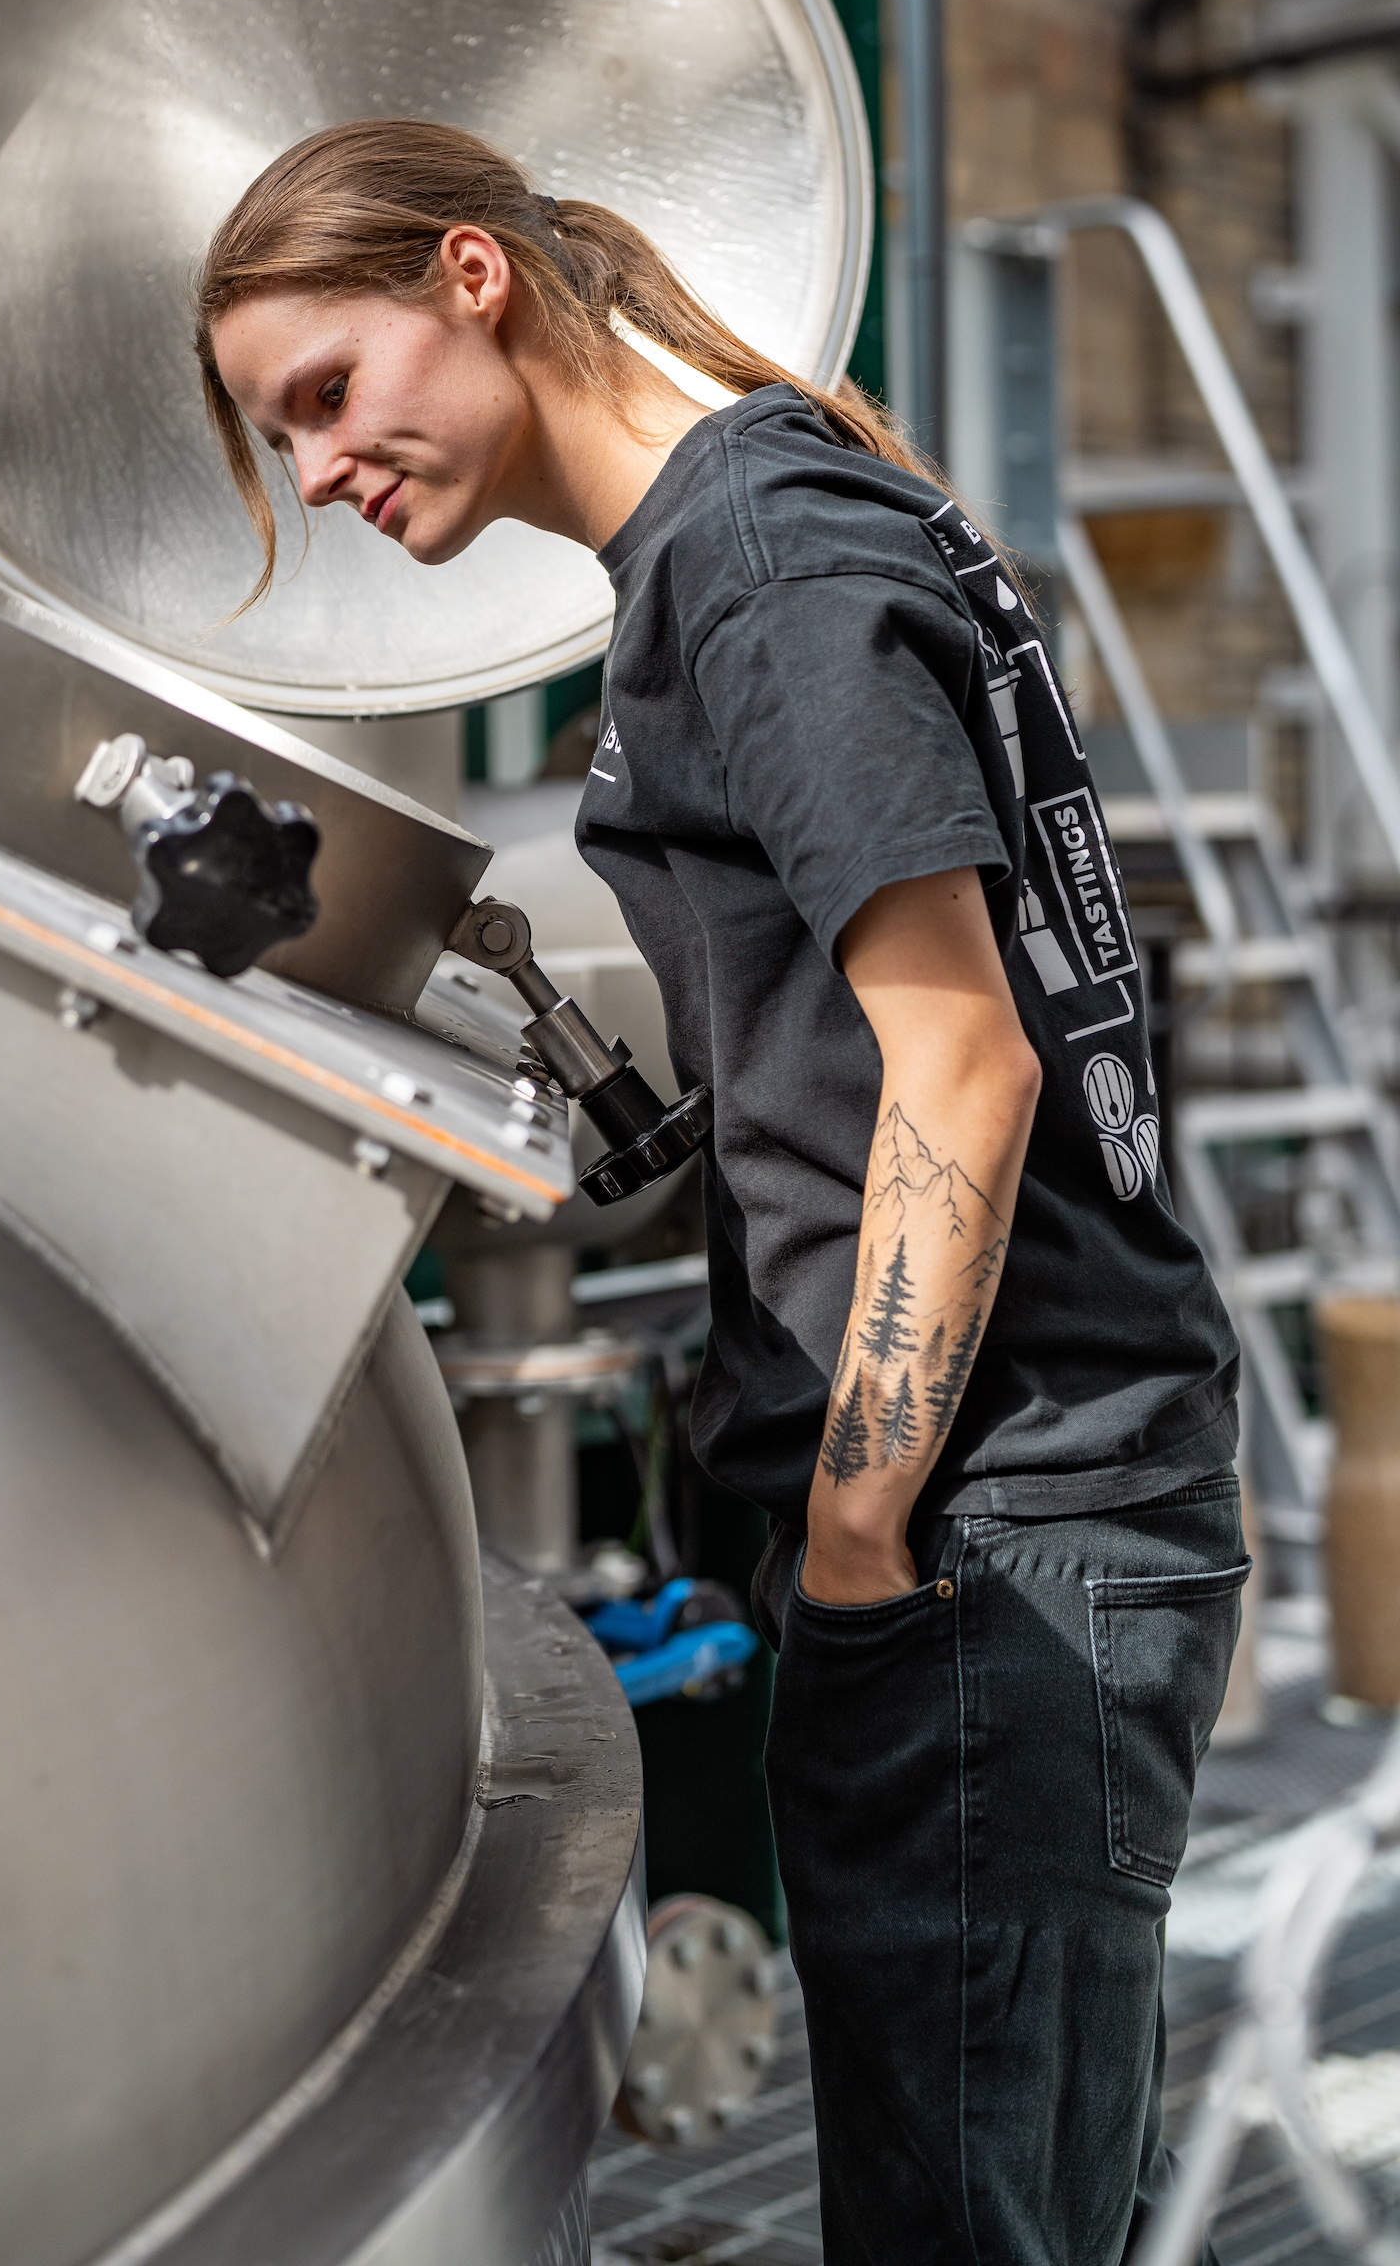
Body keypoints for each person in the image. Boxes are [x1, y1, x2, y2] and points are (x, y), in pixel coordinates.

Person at [195, 118, 1246, 2266]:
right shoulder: (772, 511)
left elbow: (962, 1049)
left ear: (470, 277)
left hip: (987, 1544)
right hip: (1031, 1520)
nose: (314, 471)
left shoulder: (753, 556)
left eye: (322, 393)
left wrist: (858, 1522)